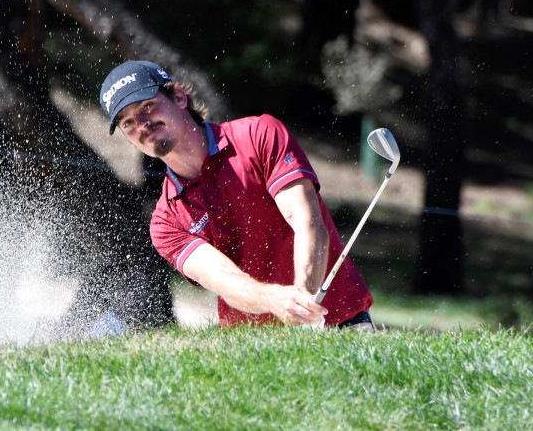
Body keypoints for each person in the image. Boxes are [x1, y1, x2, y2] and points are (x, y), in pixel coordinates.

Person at [100, 60, 374, 329]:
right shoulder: (165, 222)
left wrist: (303, 300)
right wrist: (278, 301)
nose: (142, 124)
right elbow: (223, 279)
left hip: (341, 322)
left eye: (148, 106)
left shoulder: (258, 135)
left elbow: (307, 221)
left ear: (179, 98)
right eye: (127, 123)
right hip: (254, 348)